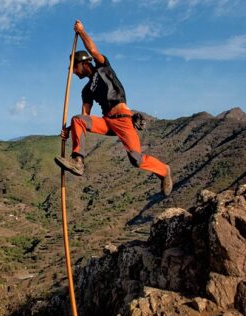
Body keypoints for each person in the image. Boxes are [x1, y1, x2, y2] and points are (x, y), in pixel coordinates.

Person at [56, 20, 173, 196]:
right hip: (107, 121)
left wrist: (81, 32)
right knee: (77, 119)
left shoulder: (103, 68)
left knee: (136, 159)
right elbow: (85, 116)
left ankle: (164, 170)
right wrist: (69, 129)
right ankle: (78, 162)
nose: (74, 72)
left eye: (75, 68)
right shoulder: (86, 90)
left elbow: (93, 50)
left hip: (123, 118)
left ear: (84, 63)